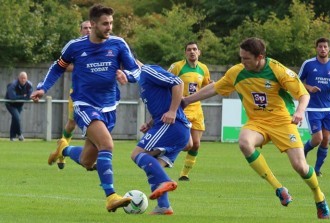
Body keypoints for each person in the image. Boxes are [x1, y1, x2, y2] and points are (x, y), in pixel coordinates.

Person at [181, 37, 330, 219]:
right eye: (241, 58)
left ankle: (319, 197)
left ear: (260, 57)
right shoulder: (237, 72)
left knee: (300, 166)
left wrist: (299, 111)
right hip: (257, 122)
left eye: (246, 59)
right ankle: (279, 188)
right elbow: (214, 88)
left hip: (283, 121)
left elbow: (303, 94)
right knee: (244, 142)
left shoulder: (277, 70)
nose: (242, 62)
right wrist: (186, 100)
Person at [30, 4, 140, 212]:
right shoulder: (75, 46)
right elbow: (57, 67)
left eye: (111, 23)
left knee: (87, 160)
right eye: (105, 24)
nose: (109, 27)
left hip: (109, 108)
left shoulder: (118, 44)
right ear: (93, 25)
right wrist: (43, 88)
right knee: (107, 145)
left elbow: (136, 70)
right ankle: (111, 196)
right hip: (84, 104)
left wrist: (129, 76)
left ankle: (63, 149)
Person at [120, 60, 191, 215]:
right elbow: (162, 103)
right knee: (153, 167)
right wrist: (150, 123)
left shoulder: (147, 71)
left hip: (172, 125)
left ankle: (166, 181)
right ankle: (163, 206)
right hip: (172, 127)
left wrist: (172, 111)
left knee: (138, 154)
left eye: (122, 68)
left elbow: (178, 82)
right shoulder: (142, 80)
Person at [298, 37, 330, 177]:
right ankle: (303, 152)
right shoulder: (308, 64)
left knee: (326, 139)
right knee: (317, 138)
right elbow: (296, 81)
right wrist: (309, 88)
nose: (323, 49)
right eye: (320, 47)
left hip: (328, 108)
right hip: (312, 107)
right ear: (316, 48)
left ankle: (317, 170)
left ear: (329, 49)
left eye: (325, 46)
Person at [168, 42, 211, 181]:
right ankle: (165, 154)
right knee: (187, 145)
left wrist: (211, 86)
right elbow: (165, 83)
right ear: (185, 53)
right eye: (189, 50)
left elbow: (205, 87)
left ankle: (184, 174)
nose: (192, 52)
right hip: (182, 108)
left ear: (199, 52)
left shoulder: (204, 68)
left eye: (194, 49)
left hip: (197, 109)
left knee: (196, 144)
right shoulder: (177, 67)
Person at [56, 20, 92, 170]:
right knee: (71, 124)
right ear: (80, 30)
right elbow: (62, 65)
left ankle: (89, 156)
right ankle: (62, 151)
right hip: (77, 92)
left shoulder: (103, 45)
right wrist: (79, 65)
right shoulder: (76, 46)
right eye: (85, 28)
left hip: (97, 94)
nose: (88, 30)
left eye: (90, 27)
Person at [5, 71, 33, 141]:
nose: (23, 80)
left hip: (19, 104)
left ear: (27, 78)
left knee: (15, 119)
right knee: (17, 118)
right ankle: (20, 134)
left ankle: (12, 137)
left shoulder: (29, 85)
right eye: (22, 78)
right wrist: (23, 96)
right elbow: (12, 97)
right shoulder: (13, 84)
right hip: (10, 103)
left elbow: (29, 97)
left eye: (25, 78)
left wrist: (22, 97)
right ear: (19, 78)